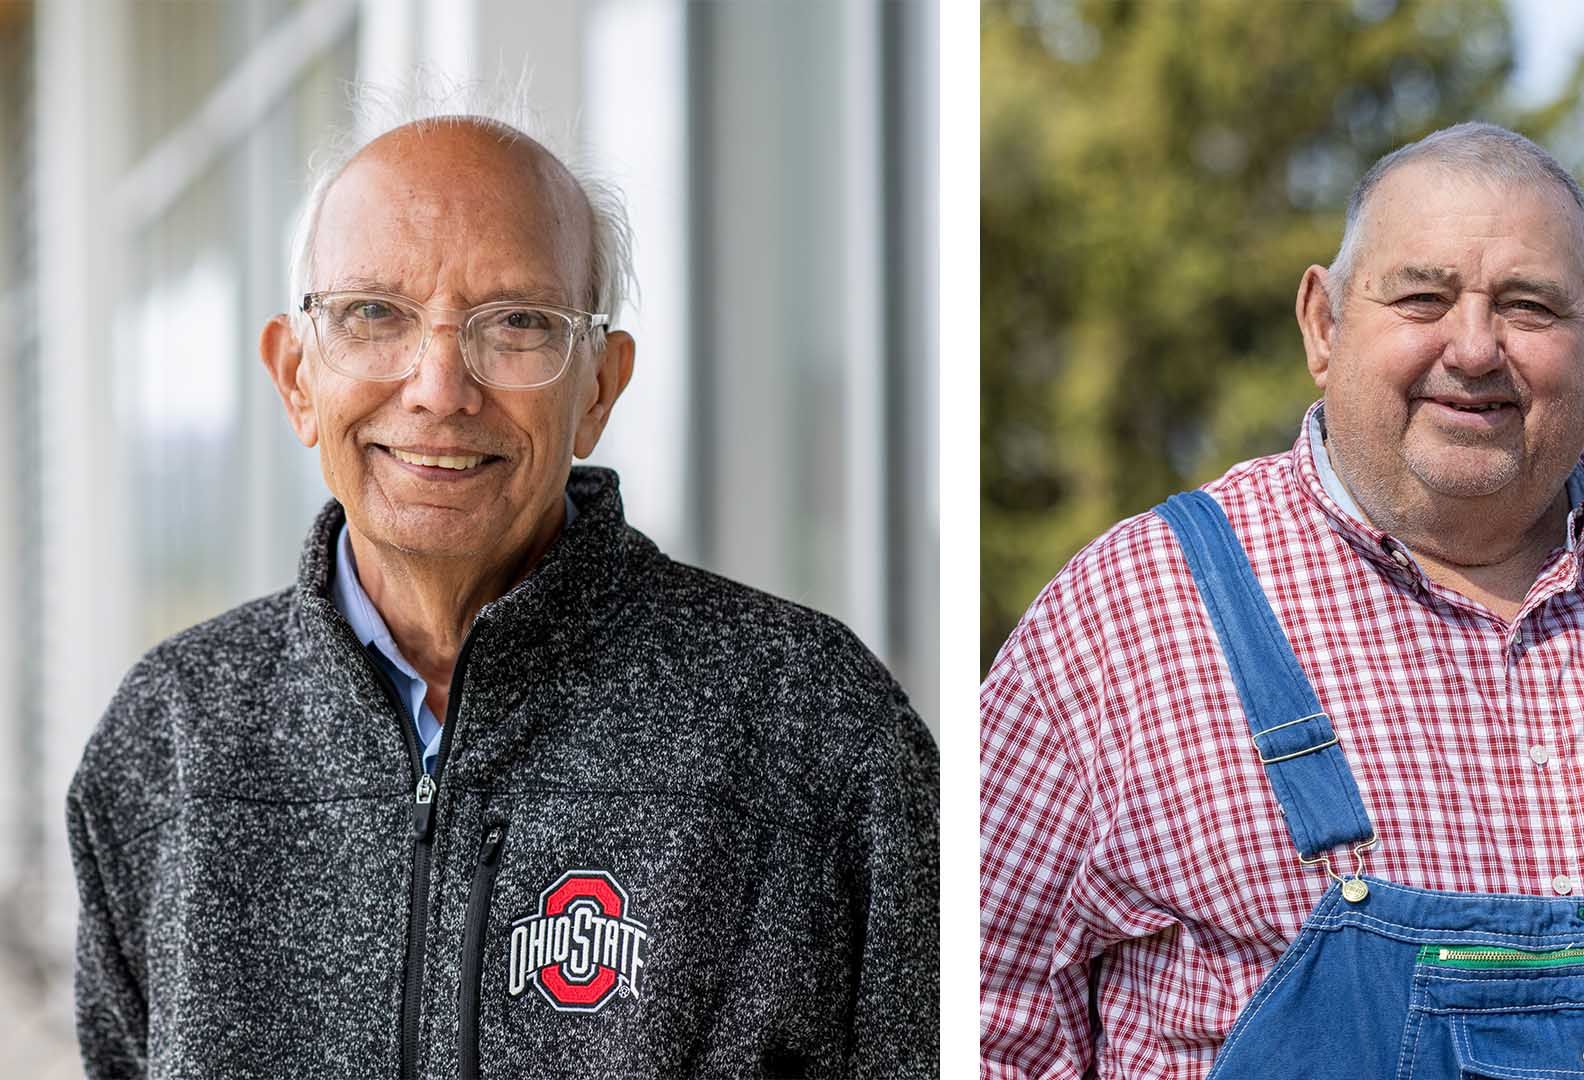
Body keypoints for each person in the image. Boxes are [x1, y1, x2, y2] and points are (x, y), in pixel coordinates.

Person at [980, 123, 1584, 1079]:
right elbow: (979, 1026)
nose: (1472, 349)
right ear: (1323, 325)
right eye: (1421, 297)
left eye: (1528, 307)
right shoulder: (1130, 613)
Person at [67, 107, 937, 1079]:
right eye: (372, 315)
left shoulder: (812, 727)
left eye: (517, 322)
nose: (440, 386)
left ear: (600, 390)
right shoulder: (167, 740)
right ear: (295, 378)